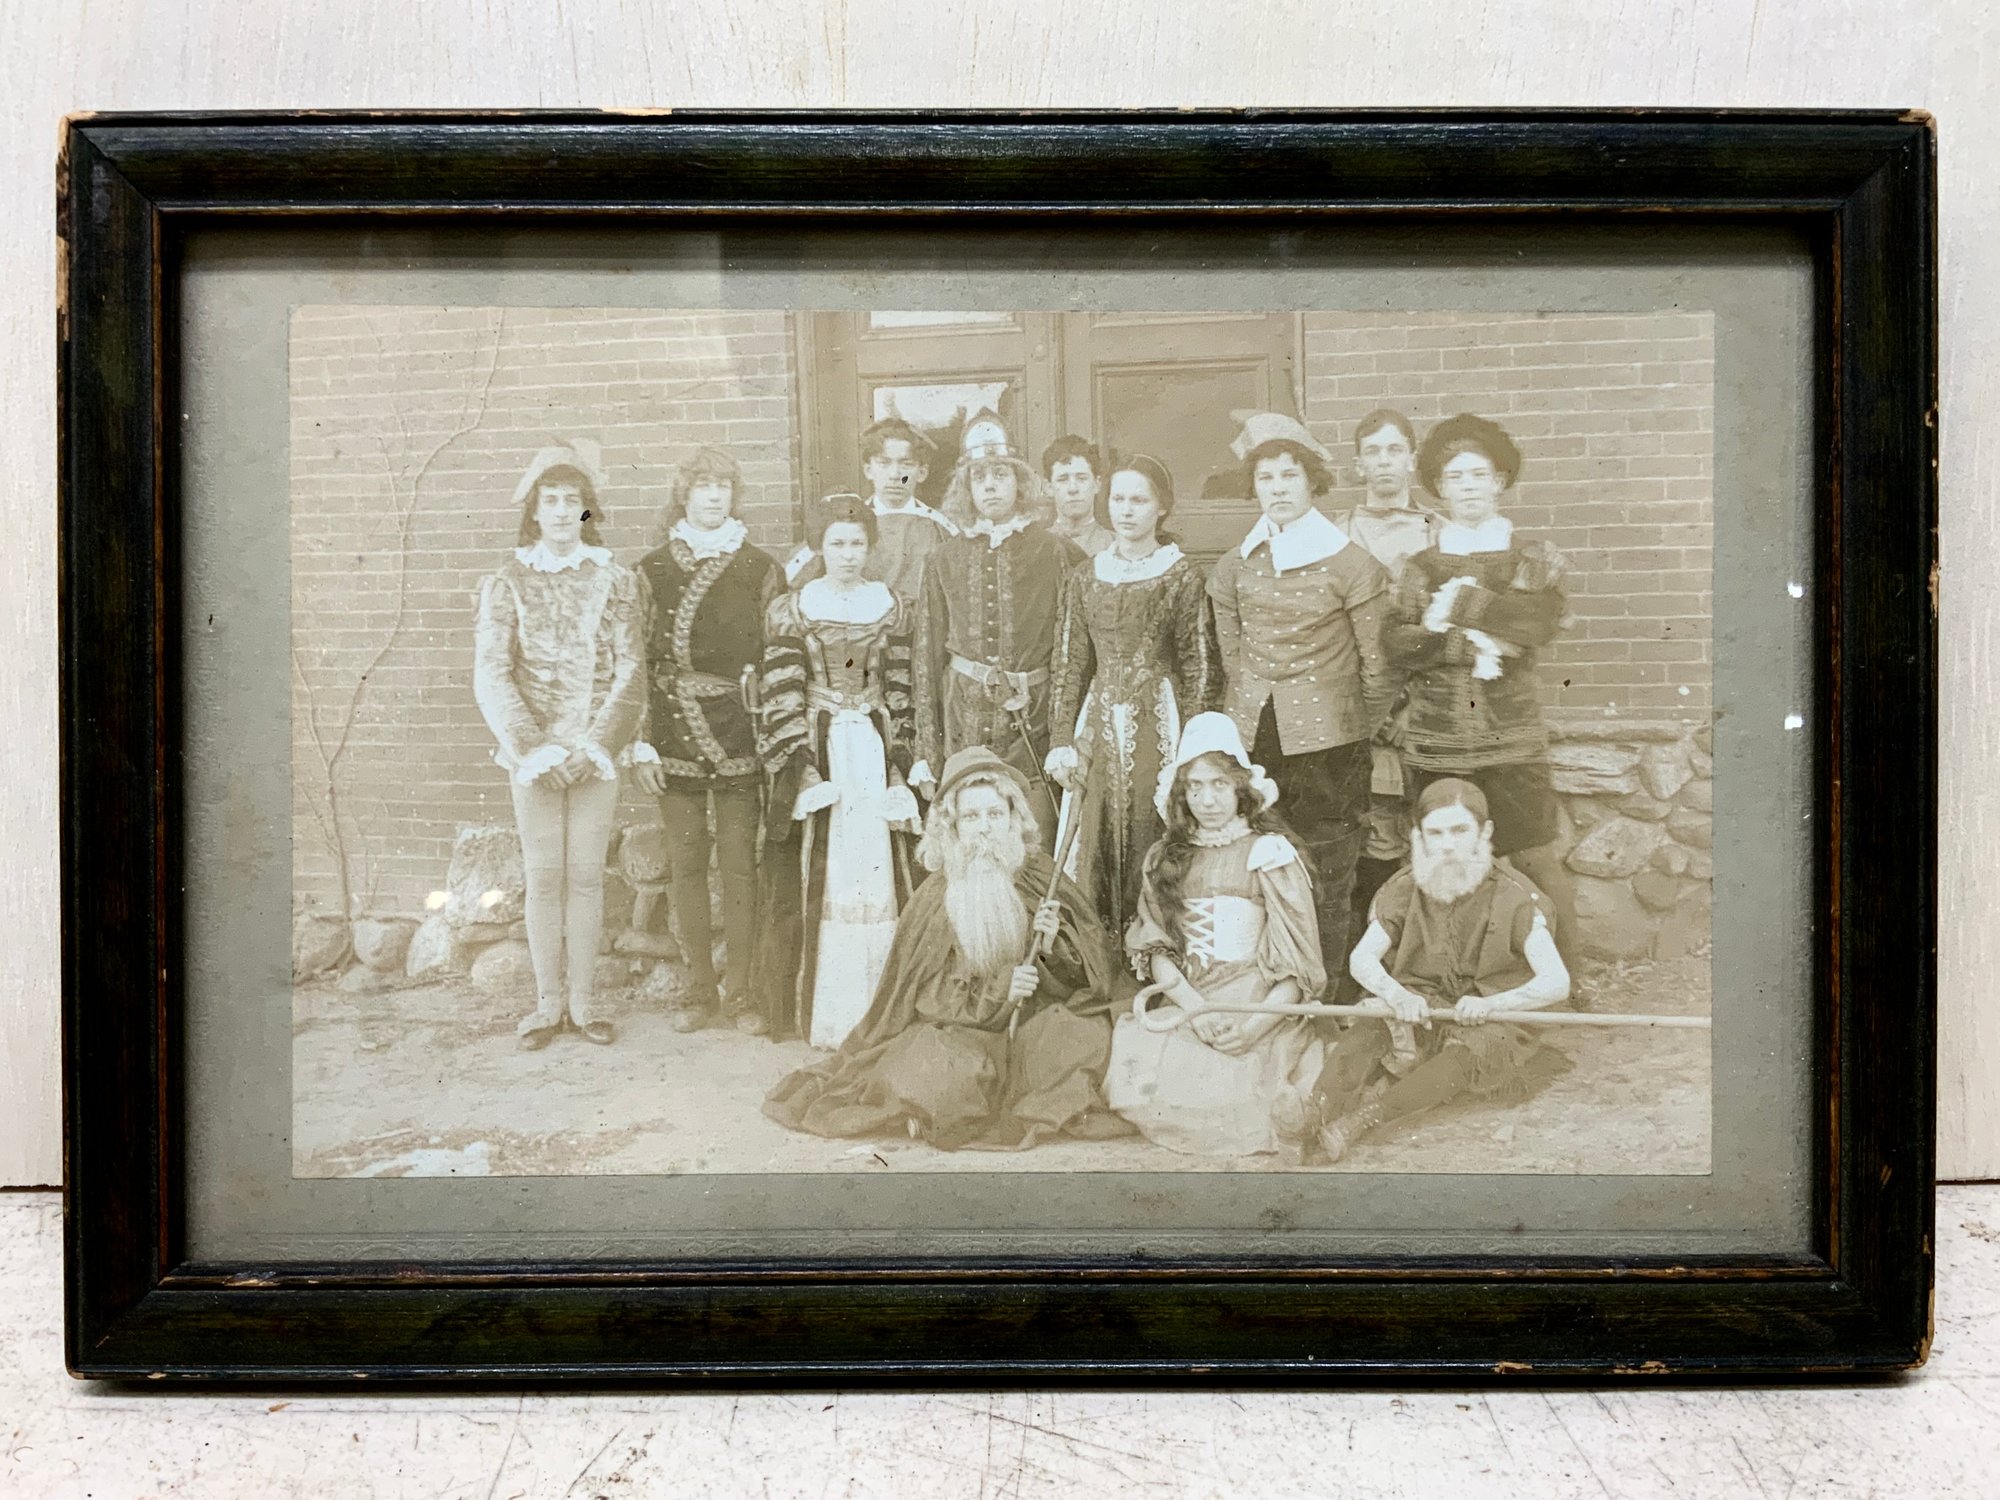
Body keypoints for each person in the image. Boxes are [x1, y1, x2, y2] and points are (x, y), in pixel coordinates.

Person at [762, 747, 1128, 1151]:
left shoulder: (1042, 876)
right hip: (963, 1030)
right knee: (939, 1067)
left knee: (1080, 1035)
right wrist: (1001, 990)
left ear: (1014, 818)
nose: (985, 828)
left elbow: (1088, 979)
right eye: (971, 817)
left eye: (995, 814)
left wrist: (1052, 945)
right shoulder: (935, 899)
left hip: (1030, 1025)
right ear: (950, 827)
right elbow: (925, 998)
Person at [1272, 777, 1572, 1163]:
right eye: (1436, 833)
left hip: (1488, 1017)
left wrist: (1492, 1004)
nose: (1447, 845)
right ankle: (1315, 1113)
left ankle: (1358, 1123)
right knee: (1371, 1026)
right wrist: (1397, 995)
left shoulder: (1516, 895)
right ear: (1419, 836)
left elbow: (1556, 982)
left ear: (1485, 833)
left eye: (1460, 831)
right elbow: (1362, 959)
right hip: (1420, 1005)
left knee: (1468, 1052)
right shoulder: (1404, 887)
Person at [1207, 411, 1400, 982]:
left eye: (1290, 475)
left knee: (1328, 876)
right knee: (1262, 869)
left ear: (1313, 482)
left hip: (1331, 752)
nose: (1278, 489)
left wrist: (1351, 726)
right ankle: (1272, 988)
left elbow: (1379, 668)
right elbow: (1232, 655)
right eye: (1266, 478)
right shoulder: (1235, 566)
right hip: (1256, 743)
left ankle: (1327, 996)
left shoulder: (1352, 564)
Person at [1382, 412, 1579, 967]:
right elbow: (1398, 640)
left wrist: (1461, 607)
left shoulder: (1531, 558)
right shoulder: (1420, 567)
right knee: (1438, 860)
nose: (1467, 487)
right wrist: (1464, 642)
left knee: (1535, 859)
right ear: (1439, 489)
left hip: (1512, 738)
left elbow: (1534, 625)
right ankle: (1443, 974)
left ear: (1499, 482)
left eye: (1478, 475)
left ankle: (1564, 979)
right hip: (1437, 741)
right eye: (1455, 478)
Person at [472, 439, 648, 1050]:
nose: (561, 511)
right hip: (533, 758)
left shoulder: (616, 581)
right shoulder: (506, 582)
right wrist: (534, 748)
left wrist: (595, 744)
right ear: (534, 511)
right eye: (549, 501)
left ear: (586, 511)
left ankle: (584, 1002)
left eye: (572, 501)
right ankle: (547, 1005)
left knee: (587, 878)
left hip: (594, 754)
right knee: (544, 877)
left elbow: (631, 669)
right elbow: (492, 672)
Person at [1104, 714, 1328, 1155]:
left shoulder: (1269, 854)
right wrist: (1195, 1011)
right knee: (1144, 1082)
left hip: (1255, 1001)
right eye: (1195, 787)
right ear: (1182, 793)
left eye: (1220, 785)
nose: (1207, 800)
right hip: (1190, 997)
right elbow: (1157, 949)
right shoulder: (1165, 858)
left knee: (1241, 1094)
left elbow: (1298, 967)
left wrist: (1254, 1027)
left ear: (1241, 788)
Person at [752, 496, 923, 1047]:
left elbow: (901, 687)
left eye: (856, 544)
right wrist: (801, 767)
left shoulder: (891, 606)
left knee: (880, 865)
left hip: (874, 744)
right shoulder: (795, 607)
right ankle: (825, 1011)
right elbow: (781, 691)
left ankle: (884, 1007)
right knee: (822, 869)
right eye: (837, 543)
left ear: (870, 548)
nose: (847, 554)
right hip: (819, 745)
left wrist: (900, 764)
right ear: (820, 548)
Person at [632, 447, 783, 1033]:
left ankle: (741, 992)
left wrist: (773, 736)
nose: (715, 496)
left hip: (741, 731)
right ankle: (699, 990)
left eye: (724, 486)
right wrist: (641, 743)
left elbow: (778, 658)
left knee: (741, 866)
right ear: (684, 494)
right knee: (687, 864)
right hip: (672, 730)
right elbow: (635, 664)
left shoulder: (760, 568)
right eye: (703, 486)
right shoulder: (651, 571)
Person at [1045, 454, 1222, 942]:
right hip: (1098, 722)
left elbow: (1199, 665)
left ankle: (1156, 948)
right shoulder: (1086, 576)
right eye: (1119, 499)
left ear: (1161, 507)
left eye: (1139, 500)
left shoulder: (1181, 576)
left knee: (1153, 821)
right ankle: (1098, 952)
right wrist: (1061, 739)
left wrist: (1196, 747)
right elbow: (1069, 663)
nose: (1126, 510)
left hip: (1158, 719)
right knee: (1094, 832)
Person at [911, 410, 1087, 847]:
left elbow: (1073, 650)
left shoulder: (1057, 552)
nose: (990, 485)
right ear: (966, 488)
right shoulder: (943, 559)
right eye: (979, 477)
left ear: (1020, 483)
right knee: (970, 841)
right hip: (963, 722)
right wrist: (927, 750)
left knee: (1034, 840)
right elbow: (926, 659)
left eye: (1000, 474)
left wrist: (1063, 735)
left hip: (1035, 723)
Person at [1335, 409, 1447, 958]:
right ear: (1359, 463)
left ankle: (1426, 959)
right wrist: (1369, 712)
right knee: (1373, 836)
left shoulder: (1438, 532)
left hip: (1423, 712)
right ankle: (1372, 963)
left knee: (1426, 831)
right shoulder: (1337, 533)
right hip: (1358, 711)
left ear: (1411, 458)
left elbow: (1450, 634)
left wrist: (1410, 709)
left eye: (1394, 449)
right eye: (1373, 451)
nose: (1384, 462)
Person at [785, 418, 956, 601]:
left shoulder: (940, 527)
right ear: (868, 470)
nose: (895, 475)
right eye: (884, 463)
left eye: (906, 464)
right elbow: (793, 576)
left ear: (922, 473)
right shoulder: (848, 522)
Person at [1040, 434, 1115, 557]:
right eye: (1063, 480)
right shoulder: (1036, 548)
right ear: (1048, 487)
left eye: (1081, 478)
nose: (1073, 489)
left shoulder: (1116, 546)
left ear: (1097, 484)